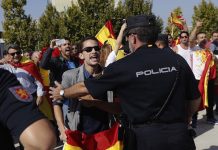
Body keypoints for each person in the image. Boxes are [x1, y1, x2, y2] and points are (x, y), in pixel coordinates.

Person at [50, 14, 201, 150]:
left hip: (143, 140)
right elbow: (195, 99)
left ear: (133, 38)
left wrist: (62, 92)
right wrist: (186, 117)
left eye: (128, 36)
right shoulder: (177, 60)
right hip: (180, 136)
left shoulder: (123, 66)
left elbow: (85, 86)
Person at [54, 37, 113, 142]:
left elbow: (118, 107)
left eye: (96, 48)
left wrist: (95, 103)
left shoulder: (109, 75)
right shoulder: (70, 76)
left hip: (105, 135)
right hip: (79, 136)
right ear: (81, 55)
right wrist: (62, 130)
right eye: (88, 49)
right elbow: (57, 103)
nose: (94, 51)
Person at [0, 68, 56, 149]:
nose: (15, 56)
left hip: (28, 99)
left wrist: (39, 94)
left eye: (17, 53)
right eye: (12, 54)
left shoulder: (5, 78)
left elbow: (41, 142)